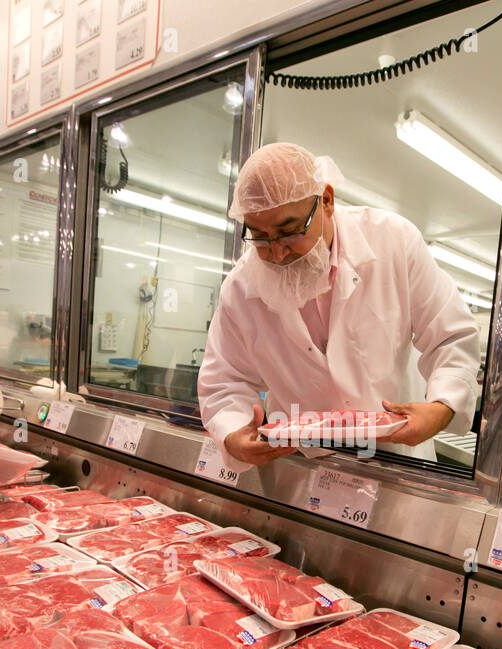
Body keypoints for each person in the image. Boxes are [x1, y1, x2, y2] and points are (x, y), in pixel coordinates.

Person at [198, 143, 481, 466]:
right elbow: (225, 380)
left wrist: (442, 407)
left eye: (289, 232)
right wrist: (233, 436)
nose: (277, 253)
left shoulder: (393, 241)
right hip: (302, 465)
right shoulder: (241, 285)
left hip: (397, 461)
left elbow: (450, 336)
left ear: (327, 201)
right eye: (260, 236)